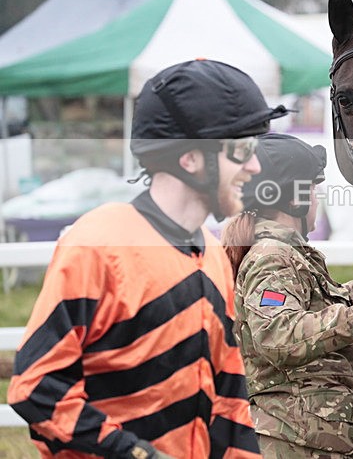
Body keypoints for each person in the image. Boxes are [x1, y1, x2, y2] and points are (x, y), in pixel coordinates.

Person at [8, 59, 288, 458]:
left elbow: (229, 397)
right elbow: (37, 387)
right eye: (242, 150)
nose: (255, 166)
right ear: (190, 158)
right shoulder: (99, 243)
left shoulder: (212, 254)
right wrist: (138, 454)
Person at [222, 133, 353, 458]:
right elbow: (278, 336)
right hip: (295, 446)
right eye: (313, 190)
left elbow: (325, 306)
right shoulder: (272, 258)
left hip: (313, 444)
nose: (317, 200)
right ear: (293, 200)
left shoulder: (289, 254)